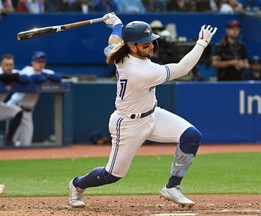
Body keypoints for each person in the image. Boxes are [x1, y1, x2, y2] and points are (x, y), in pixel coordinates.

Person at [68, 12, 217, 208]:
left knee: (191, 136)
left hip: (153, 114)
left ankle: (172, 187)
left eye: (151, 42)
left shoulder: (118, 52)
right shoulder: (141, 72)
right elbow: (183, 69)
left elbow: (113, 40)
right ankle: (77, 184)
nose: (151, 47)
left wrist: (117, 24)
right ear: (132, 46)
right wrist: (202, 43)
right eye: (145, 44)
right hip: (128, 124)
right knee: (112, 175)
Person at [6, 51, 62, 146]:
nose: (40, 64)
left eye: (42, 62)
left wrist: (45, 75)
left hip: (28, 112)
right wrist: (44, 76)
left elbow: (58, 77)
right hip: (15, 108)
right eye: (38, 61)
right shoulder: (27, 70)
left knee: (26, 144)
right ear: (32, 62)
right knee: (11, 143)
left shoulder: (46, 72)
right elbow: (35, 78)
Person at [0, 54, 29, 146]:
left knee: (18, 112)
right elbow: (4, 77)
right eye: (6, 65)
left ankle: (8, 140)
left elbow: (25, 79)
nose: (9, 67)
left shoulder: (14, 72)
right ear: (1, 65)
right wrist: (9, 77)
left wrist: (14, 76)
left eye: (11, 65)